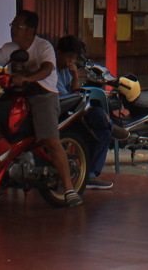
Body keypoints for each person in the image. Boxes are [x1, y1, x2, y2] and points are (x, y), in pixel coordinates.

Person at [0, 10, 81, 206]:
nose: (13, 30)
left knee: (50, 140)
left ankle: (69, 189)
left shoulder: (43, 46)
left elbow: (47, 68)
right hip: (15, 94)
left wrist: (28, 78)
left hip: (42, 95)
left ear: (31, 30)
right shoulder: (10, 48)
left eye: (18, 27)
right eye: (13, 25)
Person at [55, 34, 114, 190]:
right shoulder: (53, 72)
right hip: (61, 114)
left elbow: (74, 91)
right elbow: (66, 97)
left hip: (73, 110)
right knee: (101, 130)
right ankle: (90, 174)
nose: (72, 62)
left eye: (74, 58)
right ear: (58, 53)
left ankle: (91, 173)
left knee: (104, 126)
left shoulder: (66, 71)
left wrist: (75, 74)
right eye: (69, 57)